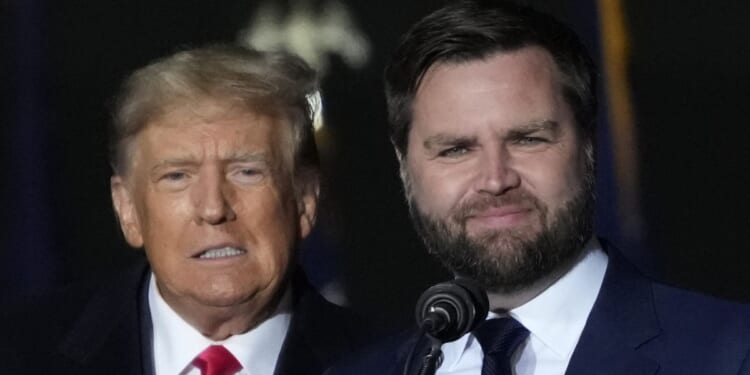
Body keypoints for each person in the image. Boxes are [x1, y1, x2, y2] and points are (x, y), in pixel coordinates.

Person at [329, 1, 750, 374]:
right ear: (404, 167)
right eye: (456, 150)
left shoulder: (731, 353)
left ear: (589, 144)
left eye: (527, 139)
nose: (496, 180)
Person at [2, 45, 370, 374]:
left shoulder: (393, 363)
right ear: (127, 209)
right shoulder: (20, 354)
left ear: (305, 200)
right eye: (177, 176)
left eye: (246, 172)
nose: (213, 208)